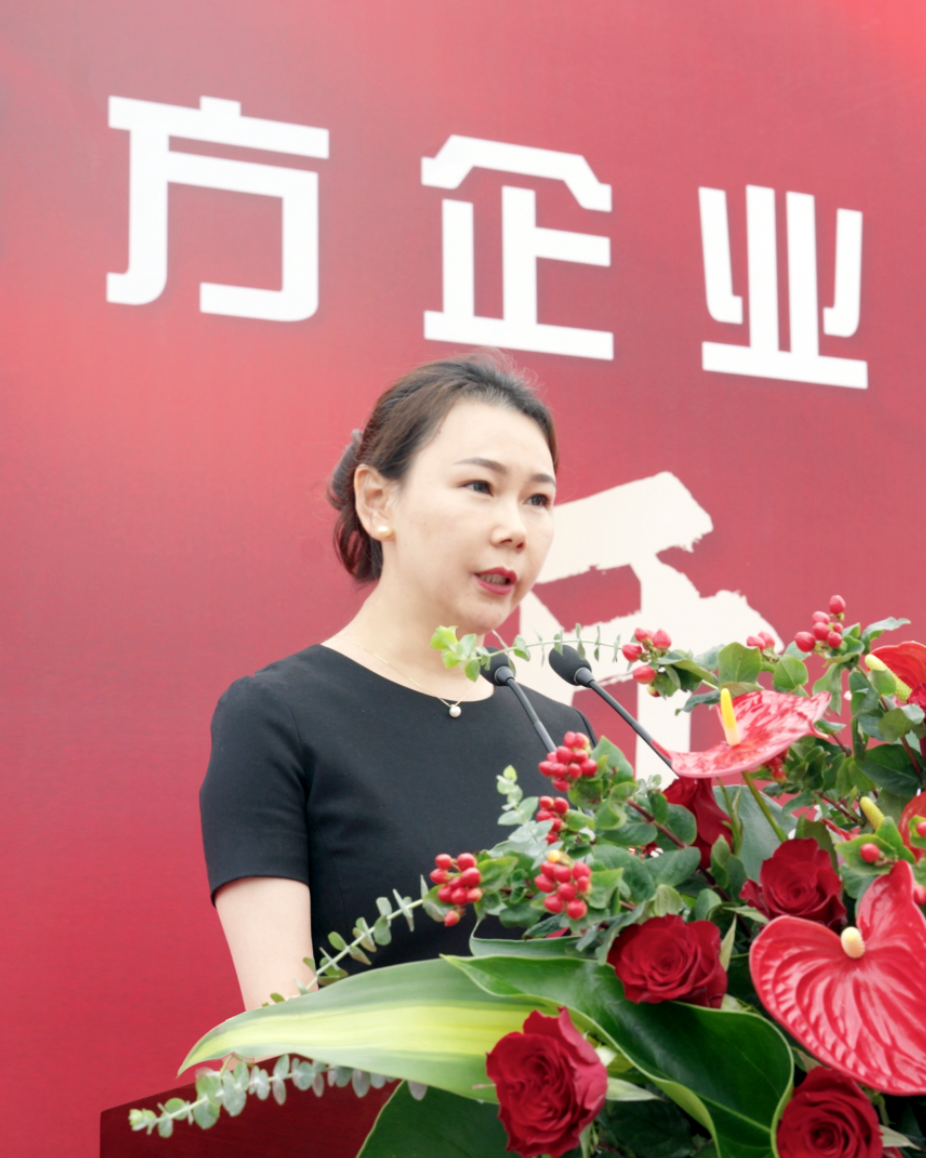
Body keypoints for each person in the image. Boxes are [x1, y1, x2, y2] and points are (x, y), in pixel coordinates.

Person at [200, 352, 593, 1009]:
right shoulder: (275, 718)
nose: (515, 530)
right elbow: (280, 1031)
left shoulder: (561, 733)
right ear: (378, 501)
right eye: (480, 486)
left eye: (538, 500)